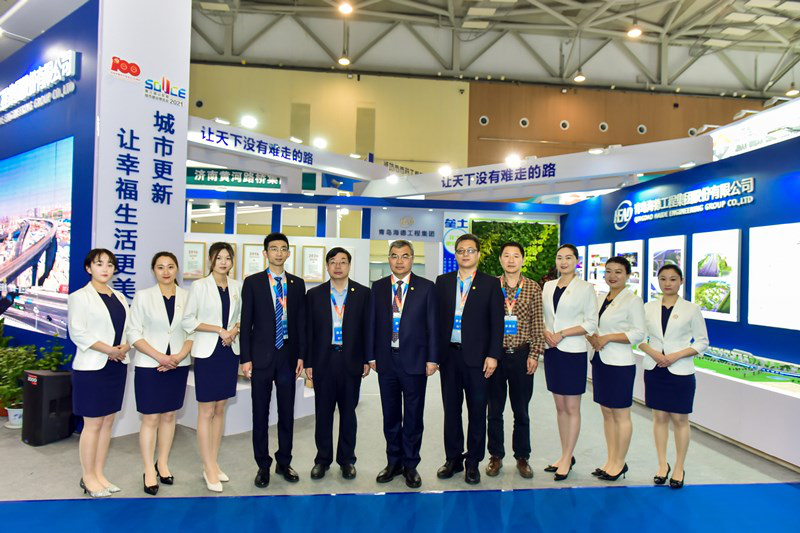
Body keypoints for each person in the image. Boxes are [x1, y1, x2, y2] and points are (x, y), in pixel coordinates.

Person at [366, 240, 438, 488]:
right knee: (390, 415)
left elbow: (433, 325)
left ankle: (411, 464)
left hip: (415, 361)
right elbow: (371, 323)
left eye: (404, 256)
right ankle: (393, 462)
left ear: (412, 259)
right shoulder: (378, 287)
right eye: (394, 256)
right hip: (386, 361)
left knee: (414, 416)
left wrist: (432, 358)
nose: (399, 261)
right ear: (388, 258)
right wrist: (371, 356)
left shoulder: (426, 287)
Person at [435, 233, 504, 485]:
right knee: (451, 411)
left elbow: (497, 323)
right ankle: (453, 459)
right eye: (461, 250)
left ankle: (473, 462)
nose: (465, 254)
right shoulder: (443, 282)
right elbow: (435, 320)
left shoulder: (490, 283)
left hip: (478, 359)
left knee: (477, 411)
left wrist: (493, 355)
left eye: (470, 250)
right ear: (455, 254)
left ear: (478, 254)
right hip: (449, 357)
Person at [240, 233, 307, 488]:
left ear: (289, 253)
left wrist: (301, 355)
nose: (279, 253)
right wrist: (245, 358)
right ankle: (263, 465)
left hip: (288, 356)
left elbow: (301, 323)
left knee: (287, 412)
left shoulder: (297, 284)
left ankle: (284, 461)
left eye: (283, 249)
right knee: (260, 412)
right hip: (261, 357)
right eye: (274, 248)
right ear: (265, 253)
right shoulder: (253, 282)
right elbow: (246, 322)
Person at [128, 252, 193, 495]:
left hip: (178, 364)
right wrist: (160, 357)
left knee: (169, 415)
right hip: (150, 365)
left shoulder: (188, 297)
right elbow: (133, 333)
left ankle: (162, 463)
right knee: (151, 418)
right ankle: (148, 469)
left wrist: (177, 356)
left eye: (170, 266)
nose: (166, 271)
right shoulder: (143, 296)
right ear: (153, 270)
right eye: (160, 267)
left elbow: (192, 332)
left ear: (177, 269)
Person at [68, 249, 131, 498]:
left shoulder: (120, 297)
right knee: (93, 424)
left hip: (117, 365)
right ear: (88, 268)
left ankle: (99, 474)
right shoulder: (79, 297)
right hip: (92, 367)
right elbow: (78, 332)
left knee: (108, 422)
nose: (105, 268)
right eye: (99, 264)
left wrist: (125, 347)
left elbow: (128, 329)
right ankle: (88, 477)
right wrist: (109, 350)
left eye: (110, 264)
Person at [639, 264, 709, 489]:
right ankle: (662, 465)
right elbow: (639, 337)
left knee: (680, 419)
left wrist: (676, 355)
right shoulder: (648, 307)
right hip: (654, 368)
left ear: (681, 281)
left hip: (680, 370)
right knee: (659, 417)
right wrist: (654, 353)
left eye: (672, 279)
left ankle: (679, 467)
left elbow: (702, 342)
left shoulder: (691, 309)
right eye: (663, 279)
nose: (667, 283)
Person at [305, 247, 370, 480]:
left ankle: (347, 460)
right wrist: (309, 362)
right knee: (323, 413)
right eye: (333, 261)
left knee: (348, 413)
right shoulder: (314, 294)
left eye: (343, 261)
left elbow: (368, 329)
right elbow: (308, 331)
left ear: (349, 265)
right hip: (324, 360)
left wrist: (367, 358)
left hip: (351, 360)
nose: (338, 266)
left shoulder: (363, 293)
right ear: (327, 266)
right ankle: (322, 460)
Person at [182, 242, 242, 493]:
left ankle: (214, 462)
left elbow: (242, 317)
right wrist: (219, 330)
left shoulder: (238, 286)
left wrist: (234, 330)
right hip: (208, 352)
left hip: (230, 351)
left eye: (228, 258)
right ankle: (207, 466)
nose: (224, 262)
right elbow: (188, 320)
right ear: (211, 260)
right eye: (219, 258)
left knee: (220, 408)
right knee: (206, 410)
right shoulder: (199, 286)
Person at [486, 241, 546, 479]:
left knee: (521, 410)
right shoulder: (491, 286)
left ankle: (522, 456)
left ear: (522, 259)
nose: (511, 260)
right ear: (500, 259)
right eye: (506, 255)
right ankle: (495, 456)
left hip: (522, 355)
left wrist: (534, 354)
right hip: (496, 356)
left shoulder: (532, 287)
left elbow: (537, 323)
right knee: (494, 410)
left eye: (516, 256)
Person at [585, 256, 645, 482]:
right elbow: (592, 324)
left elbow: (638, 333)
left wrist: (608, 337)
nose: (612, 276)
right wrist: (593, 337)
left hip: (620, 364)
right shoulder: (601, 298)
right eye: (608, 271)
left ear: (628, 275)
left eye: (618, 272)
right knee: (607, 413)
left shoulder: (633, 301)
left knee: (621, 414)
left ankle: (620, 462)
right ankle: (610, 460)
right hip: (600, 360)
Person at [541, 243, 598, 481]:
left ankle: (567, 456)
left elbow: (591, 323)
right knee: (560, 407)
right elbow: (543, 317)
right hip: (552, 351)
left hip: (573, 352)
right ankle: (565, 454)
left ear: (576, 261)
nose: (563, 262)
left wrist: (562, 333)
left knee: (572, 407)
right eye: (559, 257)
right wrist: (546, 332)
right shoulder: (548, 286)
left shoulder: (586, 289)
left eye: (568, 258)